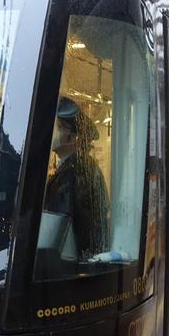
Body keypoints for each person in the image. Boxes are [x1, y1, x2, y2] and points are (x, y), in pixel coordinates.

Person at [43, 97, 109, 260]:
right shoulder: (75, 167)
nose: (53, 131)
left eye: (59, 127)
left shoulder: (77, 172)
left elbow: (64, 225)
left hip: (69, 263)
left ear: (73, 138)